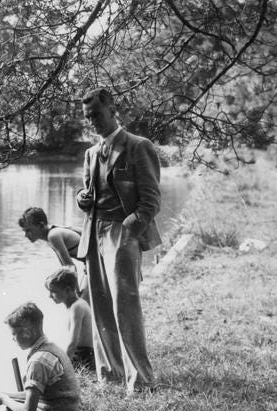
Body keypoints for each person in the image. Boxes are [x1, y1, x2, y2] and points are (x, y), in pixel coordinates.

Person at [76, 87, 162, 393]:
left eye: (97, 115)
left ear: (113, 109)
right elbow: (87, 194)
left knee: (124, 308)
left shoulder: (138, 147)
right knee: (99, 307)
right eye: (88, 118)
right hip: (93, 234)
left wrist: (127, 233)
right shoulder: (90, 153)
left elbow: (151, 202)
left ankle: (140, 380)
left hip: (121, 235)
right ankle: (110, 376)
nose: (94, 122)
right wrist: (82, 199)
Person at [18, 207, 88, 298]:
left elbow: (70, 267)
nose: (26, 235)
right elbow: (65, 267)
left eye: (29, 230)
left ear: (41, 225)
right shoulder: (53, 231)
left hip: (96, 262)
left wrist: (76, 293)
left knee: (82, 300)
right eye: (25, 231)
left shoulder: (53, 236)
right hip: (93, 262)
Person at [45, 267, 94, 371]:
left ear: (67, 290)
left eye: (53, 292)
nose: (49, 296)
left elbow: (73, 342)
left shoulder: (77, 307)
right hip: (81, 353)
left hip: (83, 356)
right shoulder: (75, 306)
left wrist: (62, 365)